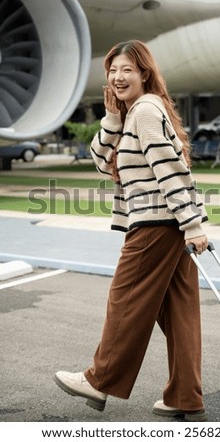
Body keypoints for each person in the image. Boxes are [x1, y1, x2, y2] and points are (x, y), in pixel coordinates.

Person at [54, 40, 208, 422]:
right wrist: (111, 120)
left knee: (124, 302)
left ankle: (99, 379)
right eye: (112, 70)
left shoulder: (144, 111)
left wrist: (192, 225)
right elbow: (101, 162)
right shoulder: (137, 113)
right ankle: (184, 396)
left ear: (144, 73)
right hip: (170, 224)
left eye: (127, 69)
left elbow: (169, 170)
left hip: (156, 225)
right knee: (179, 314)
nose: (118, 77)